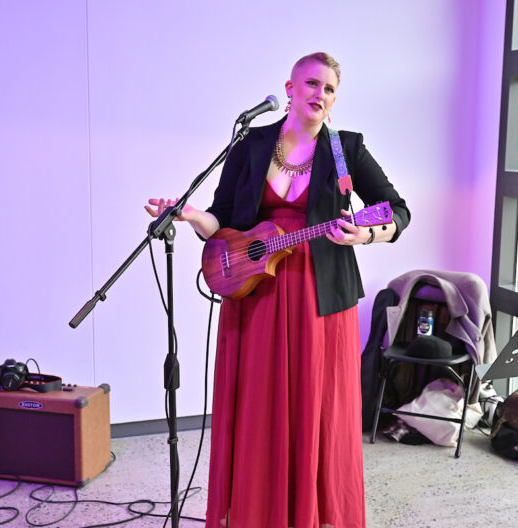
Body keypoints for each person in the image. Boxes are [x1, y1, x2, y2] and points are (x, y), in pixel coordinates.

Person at [146, 52, 410, 528]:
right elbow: (220, 218)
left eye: (329, 89)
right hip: (255, 292)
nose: (319, 95)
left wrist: (366, 234)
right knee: (258, 406)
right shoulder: (250, 143)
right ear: (289, 88)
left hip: (319, 296)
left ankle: (311, 514)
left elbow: (397, 210)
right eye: (311, 83)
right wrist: (189, 217)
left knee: (316, 409)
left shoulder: (345, 148)